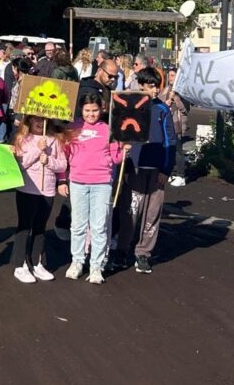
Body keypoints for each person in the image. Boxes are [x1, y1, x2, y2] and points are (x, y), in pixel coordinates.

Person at [65, 94, 125, 284]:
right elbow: (65, 155)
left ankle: (97, 266)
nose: (91, 114)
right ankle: (77, 261)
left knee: (99, 227)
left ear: (102, 109)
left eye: (95, 110)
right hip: (77, 181)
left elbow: (116, 159)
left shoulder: (109, 130)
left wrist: (124, 149)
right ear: (81, 110)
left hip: (102, 183)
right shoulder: (73, 128)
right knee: (78, 225)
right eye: (87, 110)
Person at [123, 67, 177, 274]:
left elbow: (170, 141)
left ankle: (143, 252)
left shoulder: (162, 110)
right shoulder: (130, 107)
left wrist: (166, 169)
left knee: (152, 213)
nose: (155, 90)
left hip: (156, 170)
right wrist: (126, 166)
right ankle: (122, 248)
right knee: (131, 211)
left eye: (157, 86)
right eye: (151, 86)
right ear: (142, 85)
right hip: (134, 169)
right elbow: (122, 138)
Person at [10, 115, 69, 284]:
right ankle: (19, 265)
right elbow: (20, 165)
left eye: (43, 119)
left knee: (40, 227)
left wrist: (48, 160)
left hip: (47, 190)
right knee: (24, 226)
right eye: (36, 119)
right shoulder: (22, 139)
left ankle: (36, 262)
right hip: (27, 189)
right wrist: (37, 150)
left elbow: (62, 165)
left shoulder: (55, 139)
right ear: (29, 120)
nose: (40, 122)